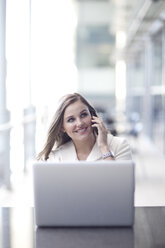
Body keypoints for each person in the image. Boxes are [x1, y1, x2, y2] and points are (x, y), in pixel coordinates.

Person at [37, 93, 132, 161]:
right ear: (62, 128)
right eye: (71, 120)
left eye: (83, 115)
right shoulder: (56, 157)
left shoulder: (119, 146)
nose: (79, 123)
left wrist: (104, 147)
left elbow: (118, 186)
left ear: (92, 116)